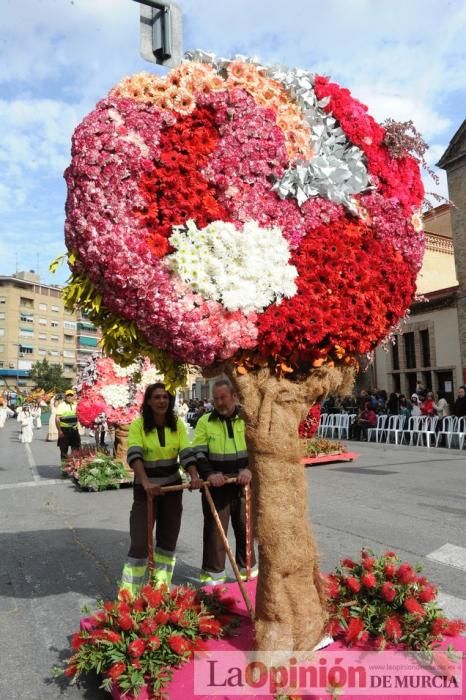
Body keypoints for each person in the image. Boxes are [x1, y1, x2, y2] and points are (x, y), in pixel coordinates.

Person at [120, 383, 201, 595]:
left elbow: (186, 451)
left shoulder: (177, 424)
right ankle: (130, 594)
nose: (161, 401)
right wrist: (146, 482)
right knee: (139, 541)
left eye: (165, 397)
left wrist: (193, 475)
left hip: (172, 489)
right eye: (156, 397)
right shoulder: (138, 425)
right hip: (145, 491)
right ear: (148, 401)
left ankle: (160, 589)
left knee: (167, 540)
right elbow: (134, 454)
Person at [192, 379, 258, 585]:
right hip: (216, 486)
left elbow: (258, 450)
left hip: (243, 484)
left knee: (245, 530)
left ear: (234, 396)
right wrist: (210, 474)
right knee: (215, 534)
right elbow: (199, 453)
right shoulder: (205, 421)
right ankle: (213, 581)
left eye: (223, 398)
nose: (219, 402)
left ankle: (249, 577)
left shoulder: (248, 419)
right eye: (216, 399)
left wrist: (250, 469)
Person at [55, 390, 81, 460]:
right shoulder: (61, 405)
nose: (69, 397)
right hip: (64, 431)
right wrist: (59, 431)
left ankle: (74, 467)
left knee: (76, 450)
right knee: (64, 450)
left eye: (71, 395)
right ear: (65, 397)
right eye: (68, 395)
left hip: (74, 430)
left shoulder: (76, 404)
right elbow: (57, 419)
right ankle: (64, 469)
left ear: (73, 396)